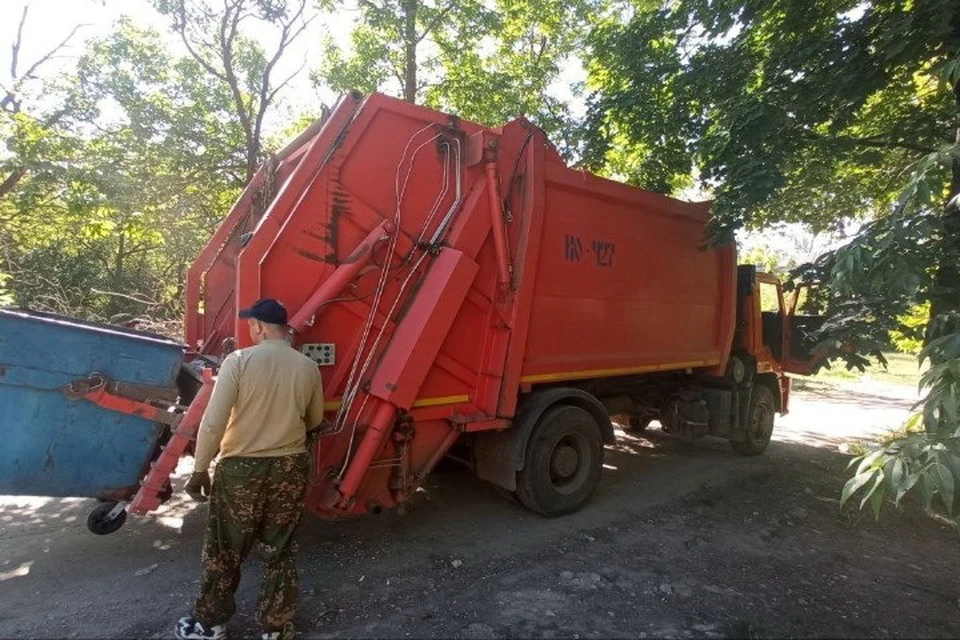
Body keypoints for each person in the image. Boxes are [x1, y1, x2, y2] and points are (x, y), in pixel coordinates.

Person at [175, 298, 325, 640]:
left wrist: (200, 470)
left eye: (250, 325)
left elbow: (214, 422)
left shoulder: (238, 361)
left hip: (241, 470)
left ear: (257, 326)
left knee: (225, 548)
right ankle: (276, 628)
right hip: (290, 467)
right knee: (280, 549)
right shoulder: (307, 366)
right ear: (283, 328)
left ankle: (211, 625)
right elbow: (314, 420)